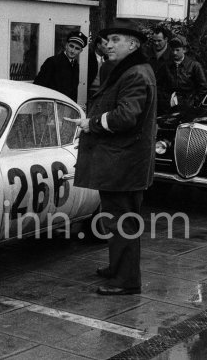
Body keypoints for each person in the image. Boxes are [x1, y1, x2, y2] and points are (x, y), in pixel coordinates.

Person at [65, 19, 156, 296]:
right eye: (107, 40)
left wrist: (92, 123)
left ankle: (126, 280)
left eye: (116, 40)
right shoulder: (131, 69)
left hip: (124, 163)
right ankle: (119, 268)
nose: (108, 44)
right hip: (122, 162)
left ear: (133, 45)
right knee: (116, 219)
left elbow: (126, 117)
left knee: (122, 221)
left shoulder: (135, 74)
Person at [156, 35, 207, 112]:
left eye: (177, 50)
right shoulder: (165, 66)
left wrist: (193, 103)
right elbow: (158, 85)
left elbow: (203, 88)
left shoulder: (194, 66)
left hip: (188, 108)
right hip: (168, 108)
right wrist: (164, 101)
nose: (174, 53)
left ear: (184, 50)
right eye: (172, 50)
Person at [34, 31, 87, 102]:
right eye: (71, 46)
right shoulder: (52, 62)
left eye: (77, 48)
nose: (73, 51)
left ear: (81, 51)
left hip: (68, 107)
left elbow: (73, 92)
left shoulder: (75, 65)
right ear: (66, 45)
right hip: (52, 106)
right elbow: (39, 85)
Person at [87, 34, 109, 99]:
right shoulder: (89, 59)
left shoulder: (109, 60)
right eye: (106, 44)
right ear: (98, 45)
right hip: (91, 93)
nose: (109, 47)